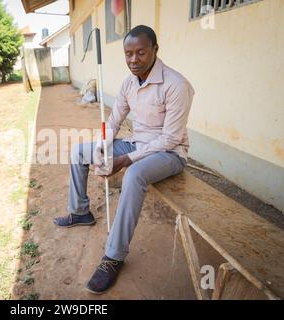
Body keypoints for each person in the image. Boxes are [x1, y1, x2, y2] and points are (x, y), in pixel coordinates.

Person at [53, 25, 195, 295]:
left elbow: (170, 138)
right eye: (128, 54)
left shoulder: (177, 85)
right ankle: (81, 211)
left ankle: (113, 256)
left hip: (169, 153)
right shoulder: (129, 82)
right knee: (79, 151)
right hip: (136, 143)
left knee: (134, 174)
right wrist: (102, 145)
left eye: (140, 52)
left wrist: (125, 159)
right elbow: (114, 120)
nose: (133, 60)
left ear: (155, 49)